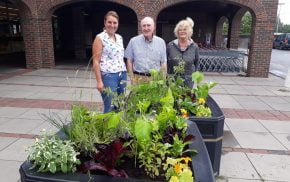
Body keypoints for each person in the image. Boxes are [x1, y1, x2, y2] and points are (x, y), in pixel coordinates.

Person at [92, 11, 127, 113]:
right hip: (109, 76)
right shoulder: (100, 38)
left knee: (121, 103)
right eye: (109, 22)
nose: (112, 25)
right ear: (105, 22)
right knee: (109, 105)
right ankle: (107, 128)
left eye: (115, 23)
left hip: (122, 73)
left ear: (118, 24)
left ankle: (119, 127)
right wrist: (99, 81)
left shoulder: (119, 38)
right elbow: (95, 61)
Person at [125, 17, 167, 84]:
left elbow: (163, 62)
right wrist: (132, 78)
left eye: (148, 25)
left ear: (154, 27)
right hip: (138, 78)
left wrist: (163, 80)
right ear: (141, 27)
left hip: (155, 79)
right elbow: (129, 61)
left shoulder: (161, 42)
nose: (146, 28)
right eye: (144, 26)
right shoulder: (133, 41)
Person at [167, 17, 199, 88]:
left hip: (188, 81)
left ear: (189, 31)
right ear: (177, 32)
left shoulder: (194, 47)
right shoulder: (170, 45)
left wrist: (193, 77)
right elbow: (165, 62)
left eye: (184, 29)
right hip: (173, 80)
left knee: (187, 98)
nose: (182, 31)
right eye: (180, 30)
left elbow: (196, 63)